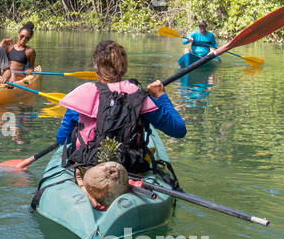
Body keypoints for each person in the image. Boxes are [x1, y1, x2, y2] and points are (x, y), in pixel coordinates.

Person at [49, 40, 186, 207]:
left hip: (86, 165)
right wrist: (161, 96)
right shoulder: (140, 96)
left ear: (96, 67)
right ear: (124, 67)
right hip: (129, 168)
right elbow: (179, 130)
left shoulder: (84, 93)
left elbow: (62, 138)